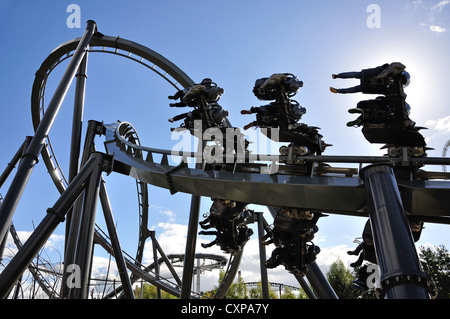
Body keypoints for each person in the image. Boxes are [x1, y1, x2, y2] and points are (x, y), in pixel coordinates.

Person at [330, 62, 408, 95]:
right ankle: (338, 90)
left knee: (356, 75)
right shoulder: (394, 86)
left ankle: (337, 76)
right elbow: (385, 93)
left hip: (371, 74)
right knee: (356, 89)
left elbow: (384, 66)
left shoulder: (393, 70)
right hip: (371, 86)